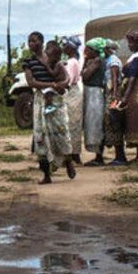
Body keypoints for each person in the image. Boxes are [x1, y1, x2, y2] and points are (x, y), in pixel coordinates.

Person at [23, 33, 76, 183]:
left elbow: (66, 77)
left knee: (61, 132)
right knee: (41, 134)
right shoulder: (29, 62)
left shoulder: (55, 58)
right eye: (29, 41)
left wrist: (62, 84)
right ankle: (46, 174)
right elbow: (31, 82)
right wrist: (51, 85)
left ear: (41, 42)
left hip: (56, 101)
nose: (31, 44)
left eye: (34, 40)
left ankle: (68, 160)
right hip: (41, 100)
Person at [114, 31, 138, 165]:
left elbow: (133, 78)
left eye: (131, 42)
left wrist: (125, 97)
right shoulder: (135, 56)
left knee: (137, 121)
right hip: (132, 90)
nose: (129, 45)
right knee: (133, 121)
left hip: (136, 91)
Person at [82, 38, 108, 165]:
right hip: (91, 93)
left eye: (88, 49)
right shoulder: (96, 60)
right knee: (94, 123)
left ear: (94, 50)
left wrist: (86, 63)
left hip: (94, 94)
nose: (85, 51)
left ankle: (99, 157)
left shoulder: (97, 61)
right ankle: (98, 155)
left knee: (96, 124)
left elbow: (85, 77)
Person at [100, 41, 125, 166]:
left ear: (107, 49)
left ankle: (120, 156)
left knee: (114, 121)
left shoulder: (113, 60)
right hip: (110, 92)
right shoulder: (110, 59)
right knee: (111, 122)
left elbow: (114, 77)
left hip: (113, 93)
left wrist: (115, 94)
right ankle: (118, 156)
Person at [62, 36, 85, 165]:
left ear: (70, 48)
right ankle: (75, 154)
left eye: (65, 45)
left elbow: (68, 81)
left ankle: (71, 154)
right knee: (74, 124)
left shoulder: (71, 62)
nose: (63, 47)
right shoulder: (74, 61)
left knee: (70, 124)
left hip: (71, 93)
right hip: (75, 93)